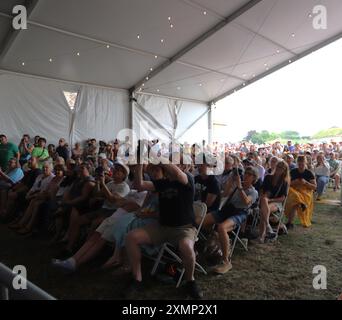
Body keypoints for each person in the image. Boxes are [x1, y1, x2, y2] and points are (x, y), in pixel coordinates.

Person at [125, 157, 203, 300]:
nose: (176, 166)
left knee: (186, 247)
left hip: (184, 229)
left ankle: (190, 281)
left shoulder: (188, 179)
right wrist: (139, 164)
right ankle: (137, 279)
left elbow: (178, 174)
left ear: (186, 166)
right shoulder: (163, 183)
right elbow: (139, 185)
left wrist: (156, 155)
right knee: (131, 237)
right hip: (162, 227)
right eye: (175, 163)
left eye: (180, 163)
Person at [202, 166, 258, 274]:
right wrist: (230, 181)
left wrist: (239, 186)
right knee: (200, 221)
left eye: (250, 174)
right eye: (246, 173)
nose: (246, 175)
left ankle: (226, 261)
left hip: (239, 213)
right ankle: (219, 239)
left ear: (254, 178)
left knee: (221, 228)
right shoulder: (238, 185)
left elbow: (246, 202)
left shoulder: (253, 192)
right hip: (227, 210)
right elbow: (224, 194)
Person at [257, 160, 290, 243]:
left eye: (282, 168)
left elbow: (283, 198)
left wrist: (271, 200)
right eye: (278, 167)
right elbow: (261, 190)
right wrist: (262, 196)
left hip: (276, 203)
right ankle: (268, 228)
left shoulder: (284, 182)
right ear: (276, 167)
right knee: (264, 201)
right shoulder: (268, 177)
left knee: (263, 212)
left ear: (285, 171)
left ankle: (263, 235)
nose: (279, 169)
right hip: (264, 201)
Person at [285, 155, 317, 228]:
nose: (301, 166)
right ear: (297, 163)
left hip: (305, 192)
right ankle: (301, 203)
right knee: (294, 196)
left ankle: (289, 223)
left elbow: (314, 187)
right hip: (294, 191)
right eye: (299, 164)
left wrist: (306, 183)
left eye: (302, 164)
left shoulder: (309, 173)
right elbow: (287, 184)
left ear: (305, 163)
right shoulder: (293, 172)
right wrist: (294, 182)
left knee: (295, 202)